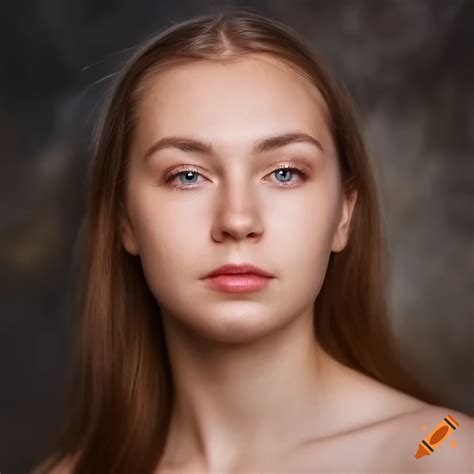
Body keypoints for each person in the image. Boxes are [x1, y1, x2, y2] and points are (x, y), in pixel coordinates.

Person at [33, 8, 473, 474]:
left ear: (344, 213)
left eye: (284, 173)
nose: (238, 220)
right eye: (187, 176)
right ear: (125, 220)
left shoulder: (440, 453)